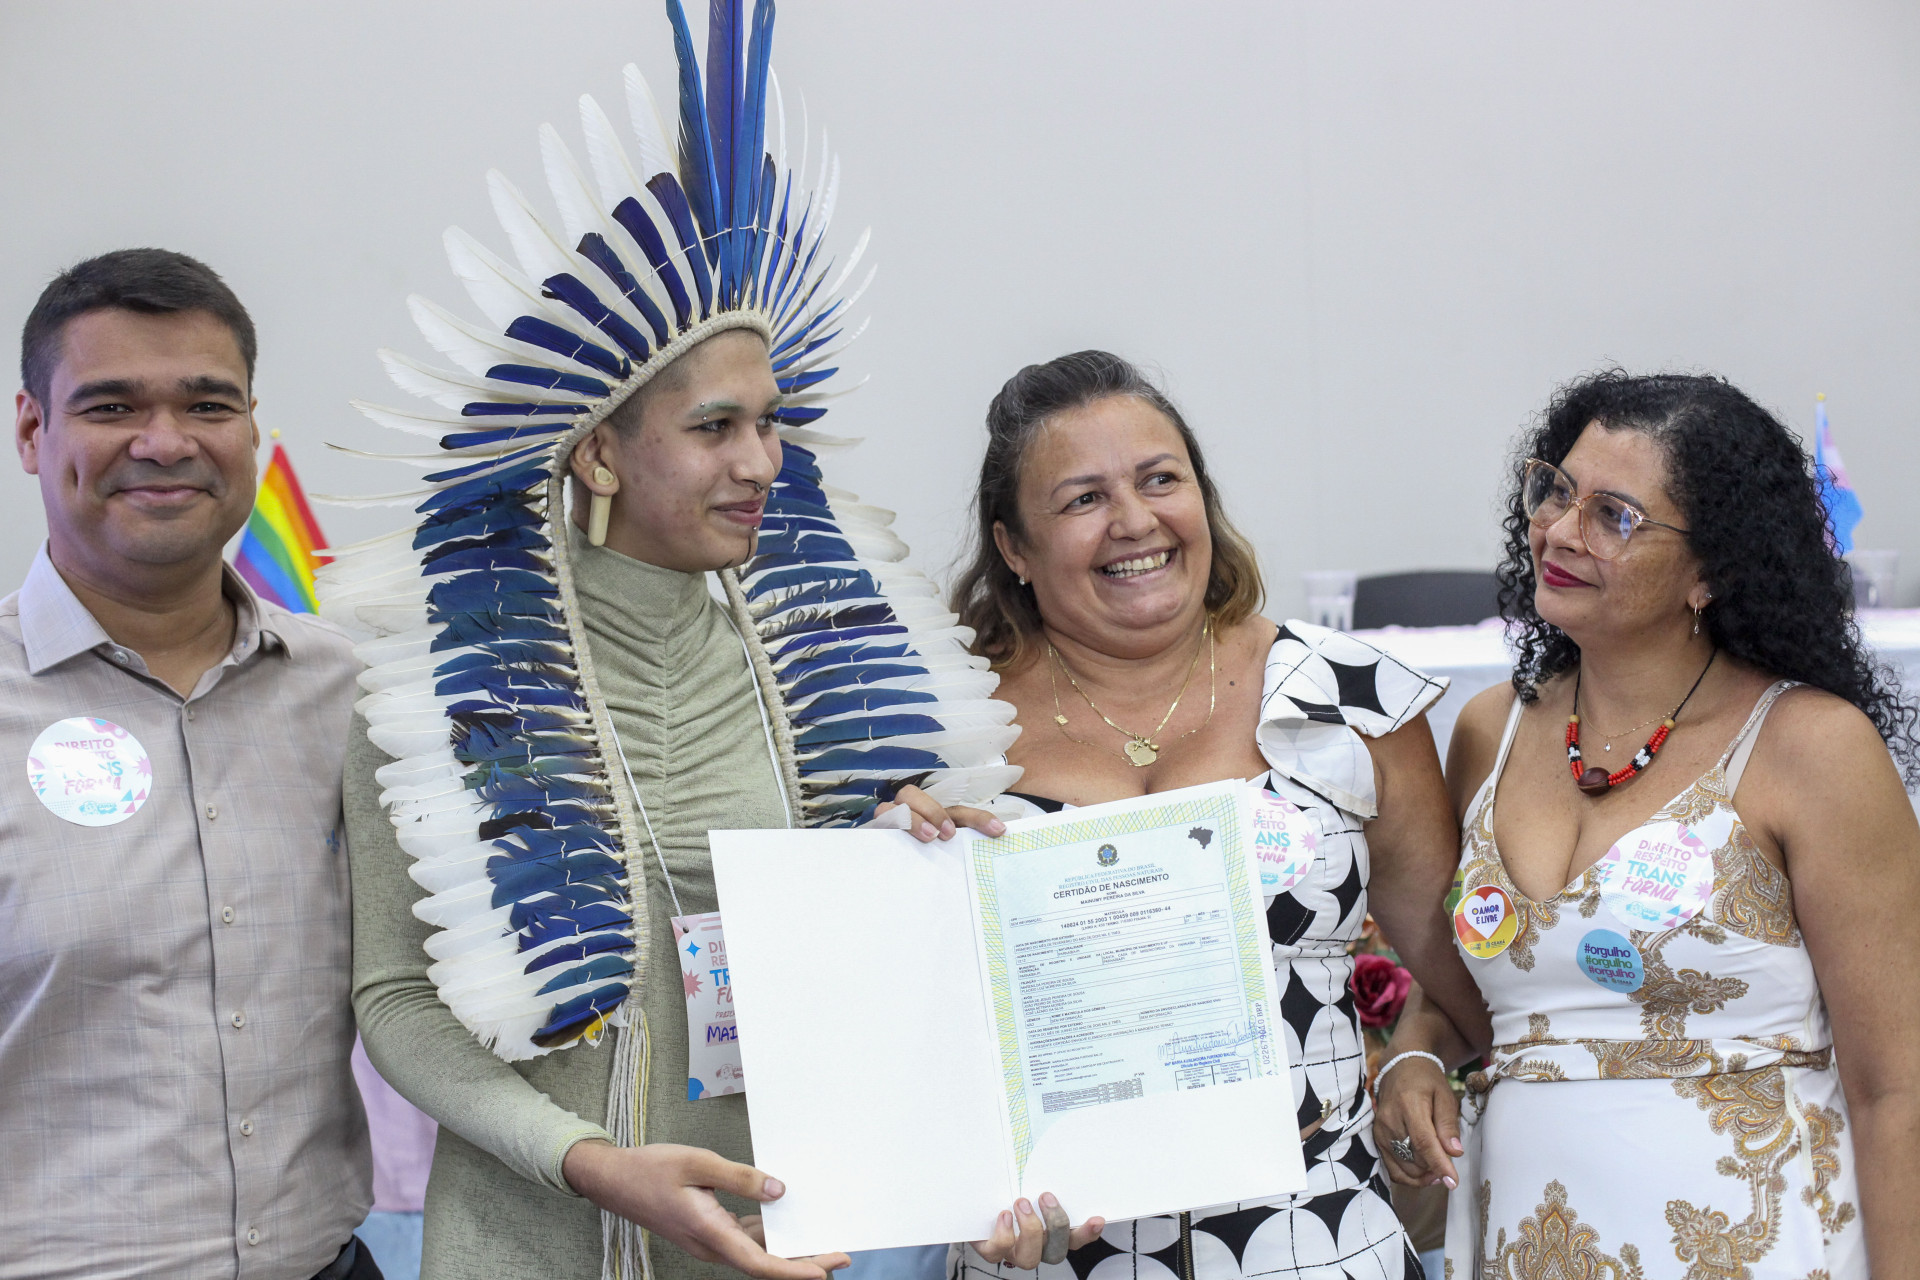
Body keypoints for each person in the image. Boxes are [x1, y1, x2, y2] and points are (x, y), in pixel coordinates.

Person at [326, 4, 1071, 1276]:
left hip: (774, 1240)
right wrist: (581, 1156)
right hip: (528, 1236)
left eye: (773, 424)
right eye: (717, 427)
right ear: (599, 447)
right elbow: (395, 998)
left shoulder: (843, 663)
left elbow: (907, 992)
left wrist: (915, 865)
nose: (763, 463)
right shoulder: (440, 666)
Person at [946, 350, 1490, 1280]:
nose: (1134, 521)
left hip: (1314, 1239)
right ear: (1013, 548)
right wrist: (948, 1184)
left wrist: (1414, 1059)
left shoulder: (1349, 697)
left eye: (1162, 480)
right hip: (1046, 1253)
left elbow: (1461, 972)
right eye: (1081, 500)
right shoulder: (950, 730)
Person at [1373, 371, 1920, 1276]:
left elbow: (1898, 1086)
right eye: (1558, 489)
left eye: (1614, 515)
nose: (1559, 530)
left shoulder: (1809, 748)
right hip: (1529, 1241)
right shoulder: (1490, 733)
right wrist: (1412, 1057)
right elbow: (1468, 992)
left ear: (1711, 570)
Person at [1, 249, 377, 1277]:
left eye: (207, 404)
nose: (163, 442)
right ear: (33, 430)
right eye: (112, 405)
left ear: (252, 428)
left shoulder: (356, 695)